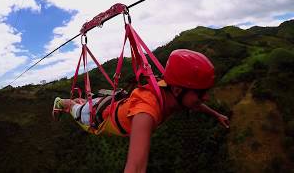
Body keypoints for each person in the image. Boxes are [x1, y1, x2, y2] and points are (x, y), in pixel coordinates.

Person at [52, 49, 230, 173]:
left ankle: (81, 102)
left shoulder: (170, 89)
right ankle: (61, 102)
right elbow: (135, 168)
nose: (206, 97)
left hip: (115, 104)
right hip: (99, 116)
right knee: (75, 110)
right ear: (177, 90)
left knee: (87, 104)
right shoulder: (146, 112)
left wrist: (216, 114)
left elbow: (194, 103)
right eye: (201, 92)